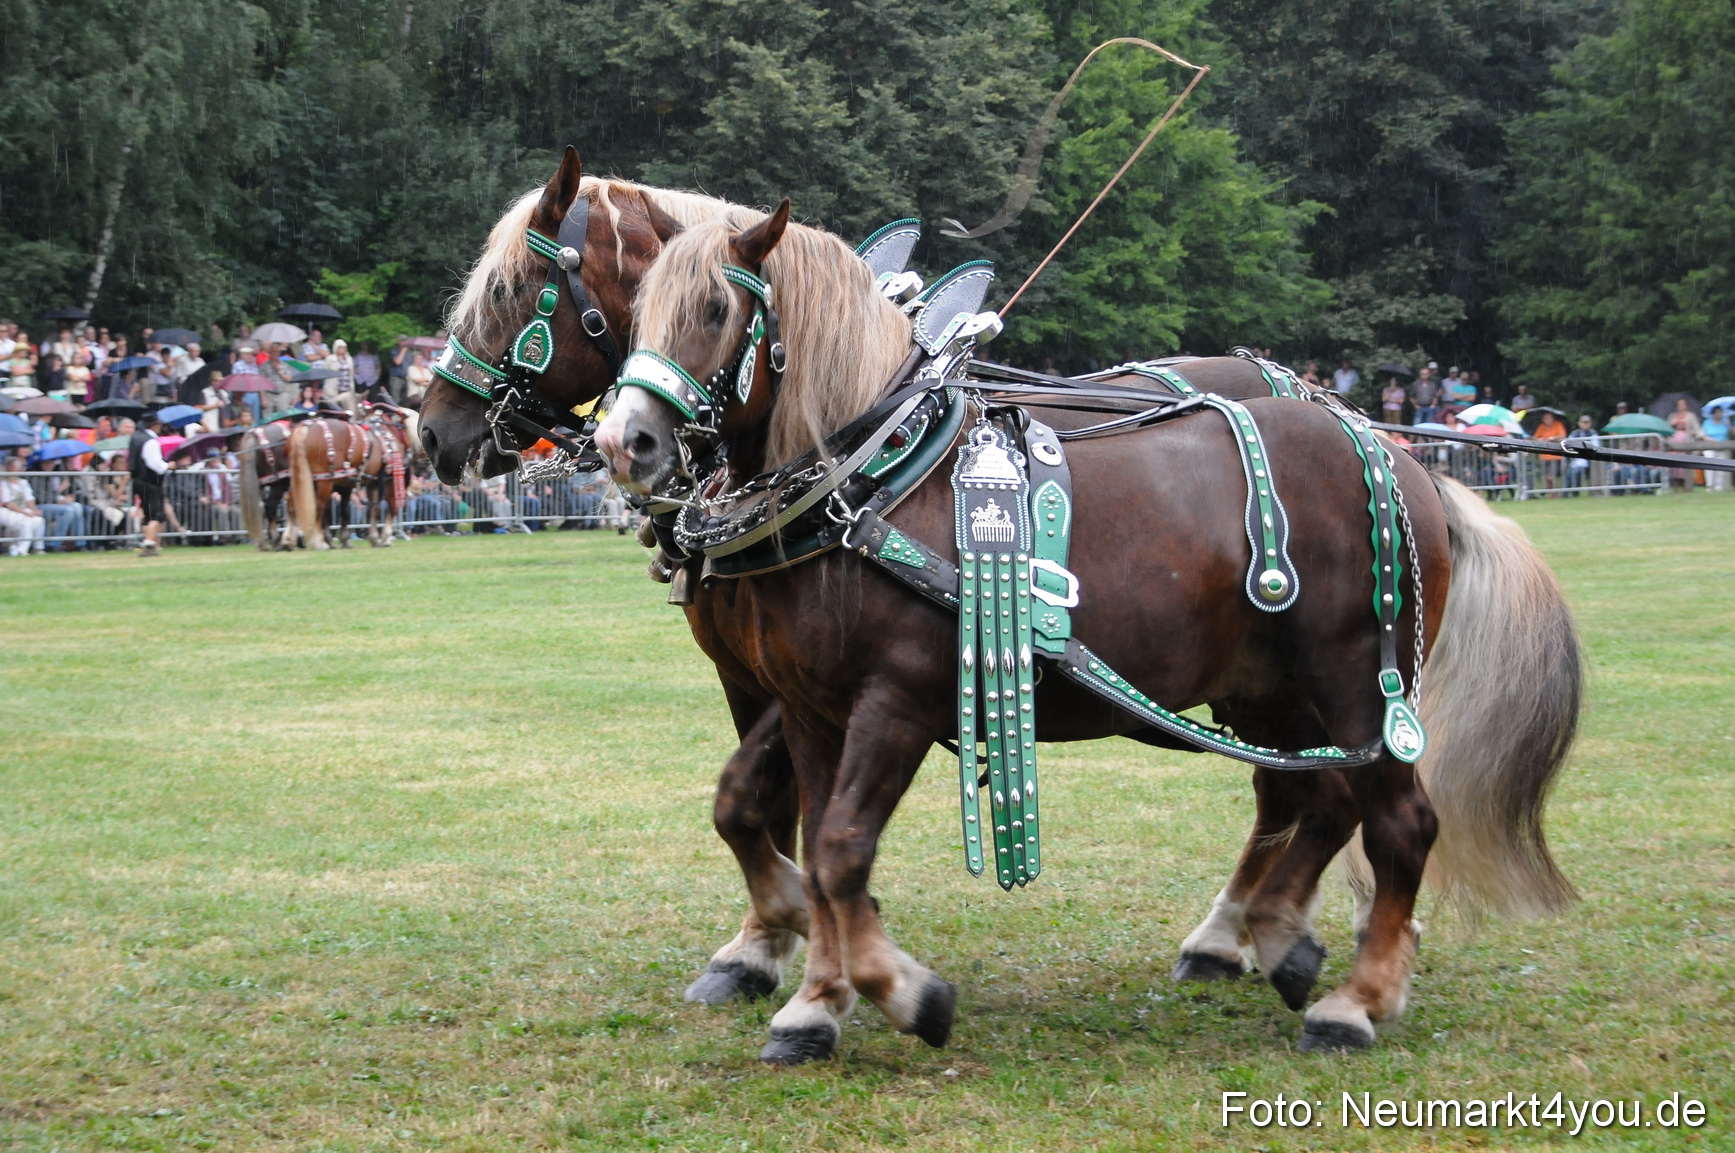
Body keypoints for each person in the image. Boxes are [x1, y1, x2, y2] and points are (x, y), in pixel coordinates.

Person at [128, 410, 182, 557]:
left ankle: (149, 542)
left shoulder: (135, 437)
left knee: (147, 513)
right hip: (150, 481)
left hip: (138, 479)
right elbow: (155, 464)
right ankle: (149, 544)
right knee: (155, 515)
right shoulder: (150, 442)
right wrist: (168, 465)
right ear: (155, 425)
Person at [0, 455, 45, 555]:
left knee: (39, 520)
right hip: (10, 511)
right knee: (26, 522)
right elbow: (8, 503)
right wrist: (25, 512)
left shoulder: (23, 483)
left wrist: (34, 510)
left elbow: (29, 499)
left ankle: (39, 548)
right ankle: (22, 549)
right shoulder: (3, 483)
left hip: (23, 510)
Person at [1563, 414, 1600, 495]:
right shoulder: (1574, 433)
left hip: (1587, 461)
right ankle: (1565, 494)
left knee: (1577, 472)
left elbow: (1595, 447)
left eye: (1587, 422)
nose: (1585, 424)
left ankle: (1575, 493)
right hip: (1574, 460)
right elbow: (1567, 445)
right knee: (1569, 474)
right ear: (1579, 423)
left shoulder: (1593, 434)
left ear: (1590, 424)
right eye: (1583, 422)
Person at [1702, 408, 1730, 492]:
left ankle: (1719, 486)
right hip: (1710, 446)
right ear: (1713, 413)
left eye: (1720, 412)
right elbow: (1703, 435)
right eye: (1717, 412)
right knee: (1709, 466)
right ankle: (1710, 485)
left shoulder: (1725, 421)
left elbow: (1731, 433)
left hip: (1723, 446)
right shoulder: (1707, 422)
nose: (1719, 414)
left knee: (1722, 465)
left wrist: (1728, 425)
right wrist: (1712, 441)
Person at [388, 335, 412, 403]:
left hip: (407, 378)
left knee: (406, 399)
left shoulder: (410, 353)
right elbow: (398, 362)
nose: (404, 342)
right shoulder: (394, 351)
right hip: (396, 378)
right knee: (395, 398)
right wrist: (403, 351)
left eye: (405, 341)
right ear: (399, 341)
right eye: (402, 341)